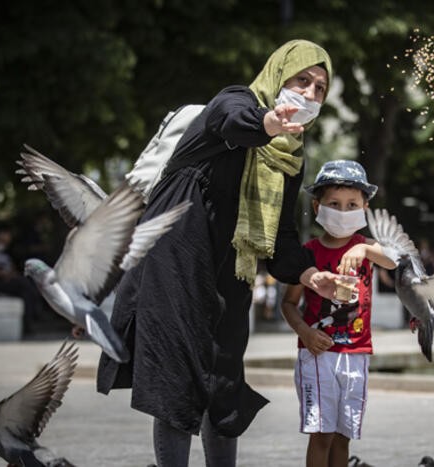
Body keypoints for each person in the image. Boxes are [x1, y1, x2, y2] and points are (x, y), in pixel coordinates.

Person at [96, 40, 341, 467]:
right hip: (176, 254)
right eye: (302, 80)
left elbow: (282, 235)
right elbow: (235, 121)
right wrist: (269, 120)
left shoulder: (290, 157)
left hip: (233, 266)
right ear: (278, 75)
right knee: (179, 375)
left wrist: (307, 274)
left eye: (320, 88)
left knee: (224, 379)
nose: (309, 94)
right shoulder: (234, 102)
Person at [280, 160, 396, 467]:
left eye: (351, 205)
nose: (343, 211)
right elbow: (288, 303)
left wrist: (366, 250)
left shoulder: (366, 247)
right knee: (322, 435)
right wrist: (305, 332)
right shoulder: (307, 253)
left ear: (364, 208)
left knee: (343, 436)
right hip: (318, 356)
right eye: (334, 204)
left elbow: (396, 260)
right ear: (317, 206)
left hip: (357, 354)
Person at [0, 226, 45, 334]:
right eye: (6, 236)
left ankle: (27, 326)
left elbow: (12, 268)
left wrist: (11, 274)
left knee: (26, 293)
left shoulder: (7, 252)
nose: (8, 239)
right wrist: (5, 274)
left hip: (10, 281)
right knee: (25, 285)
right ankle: (37, 306)